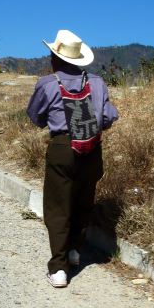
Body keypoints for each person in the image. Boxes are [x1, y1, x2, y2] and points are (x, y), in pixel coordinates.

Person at [27, 29, 118, 288]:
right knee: (82, 200)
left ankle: (58, 268)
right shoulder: (98, 82)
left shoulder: (47, 83)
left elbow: (35, 117)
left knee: (58, 208)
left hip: (62, 147)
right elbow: (110, 117)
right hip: (92, 148)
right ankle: (75, 250)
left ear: (55, 58)